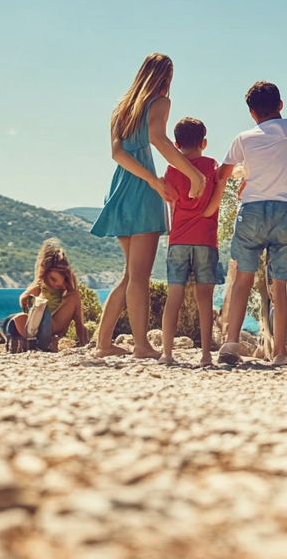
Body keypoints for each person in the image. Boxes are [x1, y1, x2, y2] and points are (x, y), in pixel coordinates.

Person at [91, 53, 207, 359]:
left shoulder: (121, 109)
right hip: (141, 193)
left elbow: (117, 154)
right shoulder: (160, 103)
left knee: (130, 274)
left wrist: (152, 180)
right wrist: (189, 174)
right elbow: (159, 139)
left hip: (119, 188)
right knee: (139, 276)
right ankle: (141, 345)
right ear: (166, 77)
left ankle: (103, 343)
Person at [211, 81, 287, 366]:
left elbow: (222, 174)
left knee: (243, 280)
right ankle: (279, 354)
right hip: (285, 211)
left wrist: (242, 171)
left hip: (251, 211)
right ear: (281, 105)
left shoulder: (244, 138)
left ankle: (230, 345)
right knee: (280, 287)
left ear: (252, 113)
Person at [159, 117, 223, 367]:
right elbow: (213, 201)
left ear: (175, 144)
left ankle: (167, 353)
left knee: (173, 297)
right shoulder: (210, 165)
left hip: (178, 240)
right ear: (204, 142)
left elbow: (172, 202)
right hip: (205, 239)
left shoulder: (171, 170)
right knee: (204, 300)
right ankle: (206, 355)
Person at [8, 238, 89, 351]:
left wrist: (84, 344)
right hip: (38, 321)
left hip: (54, 325)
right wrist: (29, 304)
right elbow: (23, 299)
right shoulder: (40, 286)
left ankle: (38, 339)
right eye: (53, 279)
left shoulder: (71, 294)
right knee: (14, 319)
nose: (58, 284)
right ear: (45, 274)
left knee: (72, 297)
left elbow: (80, 323)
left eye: (62, 280)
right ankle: (26, 339)